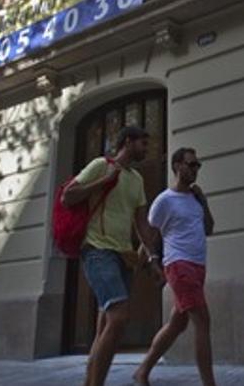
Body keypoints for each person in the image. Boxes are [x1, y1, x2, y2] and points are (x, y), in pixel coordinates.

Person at [62, 125, 159, 386]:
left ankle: (89, 381)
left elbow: (142, 225)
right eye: (143, 143)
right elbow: (67, 196)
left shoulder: (136, 180)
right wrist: (103, 181)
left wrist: (152, 258)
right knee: (119, 316)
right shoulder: (100, 165)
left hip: (124, 257)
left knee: (106, 325)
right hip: (97, 250)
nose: (146, 149)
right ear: (127, 141)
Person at [133, 147, 216, 386]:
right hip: (179, 265)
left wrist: (204, 201)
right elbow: (148, 234)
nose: (195, 169)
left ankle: (142, 371)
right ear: (177, 166)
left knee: (176, 325)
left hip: (198, 266)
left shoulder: (195, 199)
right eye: (191, 165)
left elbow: (209, 229)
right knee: (203, 321)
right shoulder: (164, 200)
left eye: (197, 165)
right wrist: (148, 262)